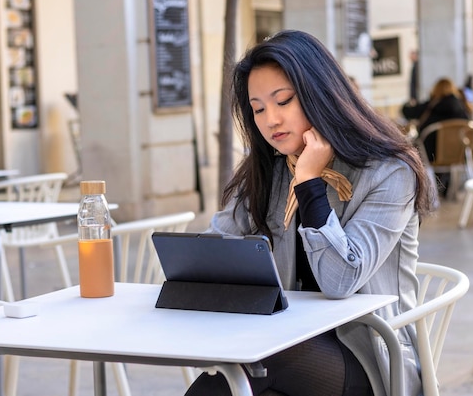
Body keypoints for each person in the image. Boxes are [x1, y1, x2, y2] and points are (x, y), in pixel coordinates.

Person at [184, 30, 436, 396]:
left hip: (373, 357)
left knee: (262, 359)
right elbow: (212, 248)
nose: (270, 120)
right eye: (258, 109)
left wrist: (309, 182)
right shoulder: (267, 169)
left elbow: (339, 281)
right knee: (253, 363)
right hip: (290, 344)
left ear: (321, 95)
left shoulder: (389, 172)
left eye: (283, 101)